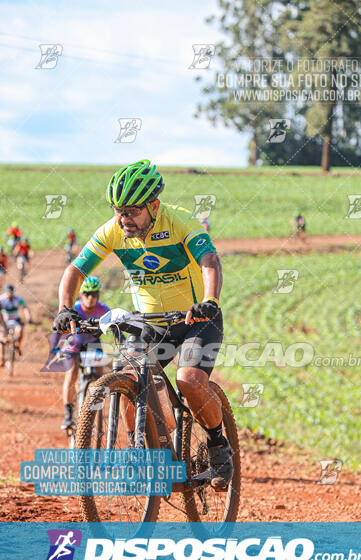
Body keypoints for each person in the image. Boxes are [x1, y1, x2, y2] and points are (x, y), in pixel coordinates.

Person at [52, 159, 233, 489]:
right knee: (132, 377)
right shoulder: (114, 231)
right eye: (119, 210)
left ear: (154, 205)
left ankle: (219, 445)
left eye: (132, 211)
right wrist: (66, 308)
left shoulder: (179, 221)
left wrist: (210, 301)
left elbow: (210, 260)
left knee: (189, 380)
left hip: (195, 319)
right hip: (151, 323)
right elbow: (74, 271)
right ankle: (152, 455)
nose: (124, 219)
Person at [58, 276, 110, 430]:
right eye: (87, 294)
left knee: (100, 375)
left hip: (92, 343)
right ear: (81, 295)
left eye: (94, 294)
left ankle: (95, 410)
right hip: (74, 343)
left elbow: (116, 326)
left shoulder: (103, 309)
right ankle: (68, 415)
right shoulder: (75, 308)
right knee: (72, 372)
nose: (91, 297)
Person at [0, 284, 32, 365]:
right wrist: (3, 325)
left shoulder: (18, 298)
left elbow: (24, 307)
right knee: (3, 340)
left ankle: (17, 345)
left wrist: (28, 317)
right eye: (9, 292)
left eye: (12, 292)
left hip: (15, 320)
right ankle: (2, 358)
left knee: (20, 331)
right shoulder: (1, 299)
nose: (10, 294)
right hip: (4, 321)